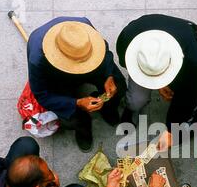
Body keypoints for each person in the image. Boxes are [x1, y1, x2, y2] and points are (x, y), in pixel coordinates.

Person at [27, 17, 127, 152]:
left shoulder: (84, 28)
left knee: (118, 85)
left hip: (92, 66)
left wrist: (109, 75)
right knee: (71, 118)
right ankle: (84, 127)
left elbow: (105, 52)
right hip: (58, 78)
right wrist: (77, 102)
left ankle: (107, 107)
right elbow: (42, 95)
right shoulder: (38, 60)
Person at [116, 14, 197, 151]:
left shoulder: (194, 56)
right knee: (136, 100)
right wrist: (160, 82)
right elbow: (125, 63)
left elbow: (188, 97)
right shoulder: (128, 36)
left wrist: (171, 130)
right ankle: (131, 108)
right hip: (145, 64)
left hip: (183, 62)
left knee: (181, 98)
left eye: (159, 76)